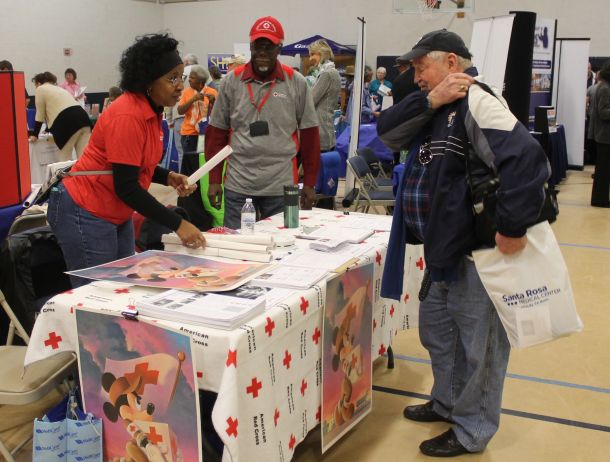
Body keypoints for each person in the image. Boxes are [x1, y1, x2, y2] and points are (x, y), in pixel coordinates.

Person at [377, 29, 550, 457]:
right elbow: (387, 133)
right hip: (443, 250)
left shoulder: (478, 101)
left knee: (481, 348)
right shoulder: (437, 103)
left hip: (477, 254)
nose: (416, 77)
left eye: (422, 67)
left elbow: (528, 161)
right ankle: (448, 402)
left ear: (451, 63)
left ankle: (473, 430)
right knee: (438, 332)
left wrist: (512, 228)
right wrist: (430, 100)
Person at [48, 33, 205, 287]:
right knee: (98, 294)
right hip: (86, 210)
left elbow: (134, 163)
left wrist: (167, 176)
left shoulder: (151, 111)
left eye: (181, 77)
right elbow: (127, 187)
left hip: (114, 211)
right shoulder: (128, 115)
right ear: (148, 81)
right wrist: (178, 224)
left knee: (125, 287)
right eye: (171, 78)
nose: (179, 86)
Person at [204, 16, 320, 230]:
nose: (263, 52)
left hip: (281, 185)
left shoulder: (296, 82)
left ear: (279, 48)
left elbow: (310, 136)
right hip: (238, 183)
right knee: (236, 244)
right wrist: (214, 179)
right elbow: (216, 134)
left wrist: (310, 182)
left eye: (269, 47)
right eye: (258, 46)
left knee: (282, 244)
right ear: (251, 47)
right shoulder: (231, 81)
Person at [176, 64, 218, 230]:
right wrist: (193, 99)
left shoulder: (212, 92)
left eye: (192, 78)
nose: (189, 80)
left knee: (203, 167)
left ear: (201, 81)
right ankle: (188, 200)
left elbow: (219, 112)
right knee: (189, 169)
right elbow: (180, 110)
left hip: (206, 135)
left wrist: (213, 101)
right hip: (189, 134)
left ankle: (202, 197)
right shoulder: (187, 92)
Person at [29, 71, 92, 161]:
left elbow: (40, 114)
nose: (35, 87)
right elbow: (57, 109)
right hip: (84, 119)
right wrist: (47, 129)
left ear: (38, 83)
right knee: (84, 160)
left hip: (67, 122)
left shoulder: (40, 89)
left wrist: (35, 134)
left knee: (64, 160)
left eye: (35, 85)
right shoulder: (59, 89)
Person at [166, 53, 199, 172]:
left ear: (185, 63)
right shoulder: (202, 74)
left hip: (179, 116)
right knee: (199, 152)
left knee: (182, 153)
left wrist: (169, 119)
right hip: (198, 118)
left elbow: (170, 94)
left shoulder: (178, 75)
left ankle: (183, 180)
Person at [308, 39, 341, 152]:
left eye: (312, 54)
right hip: (326, 126)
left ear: (321, 53)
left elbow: (311, 100)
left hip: (321, 129)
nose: (310, 58)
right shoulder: (333, 71)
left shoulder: (326, 74)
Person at [589, 61, 610, 207]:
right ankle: (599, 199)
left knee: (604, 170)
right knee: (603, 171)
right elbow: (603, 113)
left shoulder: (604, 86)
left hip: (605, 135)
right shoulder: (605, 88)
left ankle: (601, 198)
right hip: (605, 136)